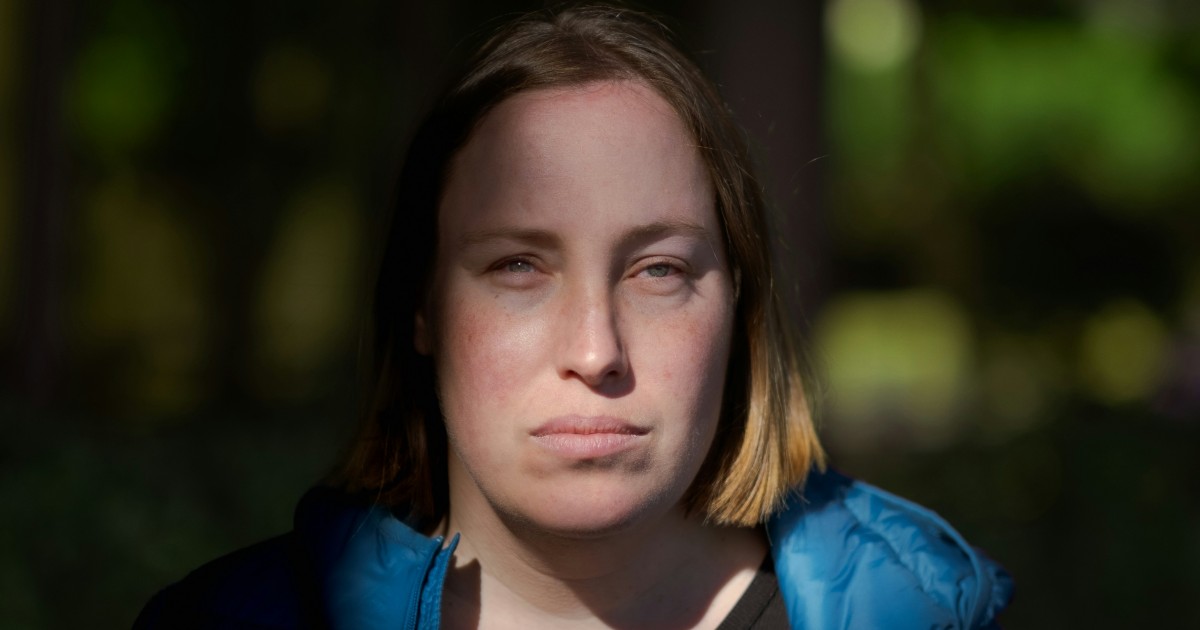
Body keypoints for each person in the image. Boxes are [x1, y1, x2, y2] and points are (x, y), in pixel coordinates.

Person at [136, 4, 1012, 629]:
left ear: (739, 308)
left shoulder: (923, 613)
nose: (596, 351)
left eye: (659, 270)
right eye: (518, 267)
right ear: (421, 307)